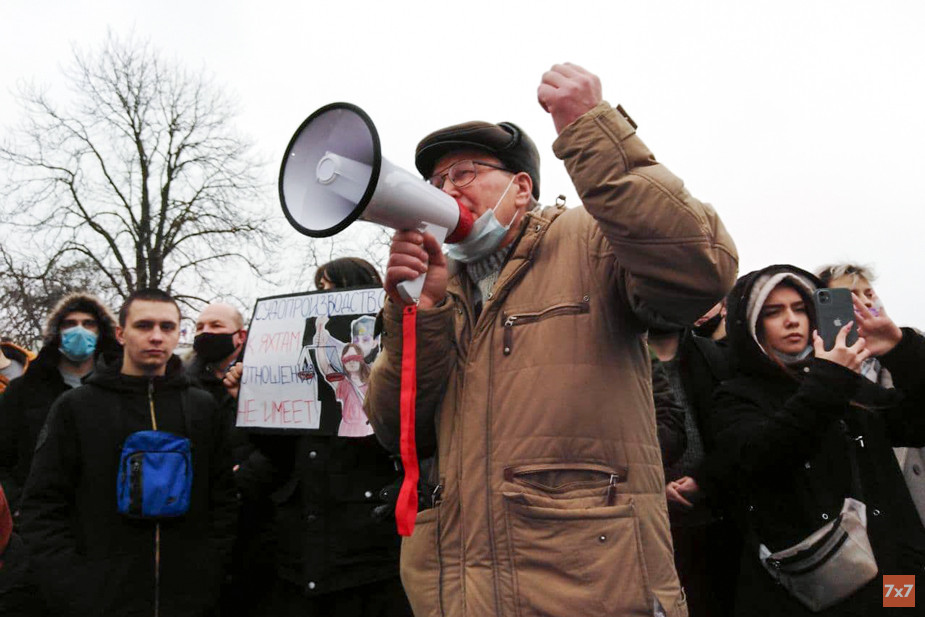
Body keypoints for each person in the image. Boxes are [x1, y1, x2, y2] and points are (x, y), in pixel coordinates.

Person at [365, 63, 738, 617]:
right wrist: (419, 313)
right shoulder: (436, 286)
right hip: (456, 593)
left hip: (590, 588)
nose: (446, 190)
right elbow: (396, 430)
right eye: (436, 182)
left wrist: (594, 132)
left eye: (464, 172)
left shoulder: (588, 239)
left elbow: (701, 270)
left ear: (521, 187)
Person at [711, 265, 925, 616]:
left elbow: (914, 426)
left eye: (800, 309)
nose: (792, 320)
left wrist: (900, 350)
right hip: (817, 581)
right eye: (773, 312)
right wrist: (829, 379)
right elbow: (765, 455)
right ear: (748, 324)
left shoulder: (849, 384)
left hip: (893, 570)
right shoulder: (737, 395)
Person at [19, 288, 237, 616]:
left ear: (180, 333)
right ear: (121, 333)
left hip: (188, 599)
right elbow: (42, 504)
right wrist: (71, 585)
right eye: (144, 325)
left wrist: (208, 573)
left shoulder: (202, 407)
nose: (156, 337)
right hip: (99, 599)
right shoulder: (77, 407)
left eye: (167, 327)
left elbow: (223, 500)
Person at [228, 257, 412, 617]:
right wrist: (254, 405)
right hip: (302, 556)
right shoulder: (310, 366)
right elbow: (281, 457)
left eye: (328, 290)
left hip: (367, 558)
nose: (320, 297)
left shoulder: (392, 365)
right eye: (319, 290)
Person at [818, 262, 925, 528]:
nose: (866, 302)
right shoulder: (819, 368)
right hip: (868, 519)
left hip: (918, 504)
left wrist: (900, 349)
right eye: (850, 297)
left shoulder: (911, 346)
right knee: (897, 571)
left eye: (869, 293)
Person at [0, 292, 120, 512]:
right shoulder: (23, 390)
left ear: (101, 332)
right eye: (70, 324)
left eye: (88, 324)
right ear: (57, 332)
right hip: (38, 517)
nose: (79, 330)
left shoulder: (120, 387)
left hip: (106, 517)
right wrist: (18, 504)